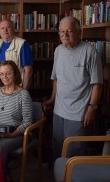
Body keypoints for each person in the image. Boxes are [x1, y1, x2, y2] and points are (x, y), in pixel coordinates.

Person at [43, 16, 103, 162]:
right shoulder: (58, 50)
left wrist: (91, 108)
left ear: (78, 32)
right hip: (59, 110)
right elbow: (56, 79)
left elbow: (97, 84)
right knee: (57, 146)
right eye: (62, 31)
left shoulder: (89, 51)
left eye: (69, 31)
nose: (65, 35)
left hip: (79, 112)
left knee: (74, 151)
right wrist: (52, 99)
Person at [0, 60, 33, 182]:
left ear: (15, 74)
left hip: (17, 133)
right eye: (1, 74)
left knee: (2, 146)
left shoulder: (23, 94)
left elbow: (27, 122)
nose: (4, 77)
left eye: (8, 73)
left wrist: (11, 135)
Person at [0, 19, 33, 90]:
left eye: (8, 27)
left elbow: (28, 70)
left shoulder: (23, 44)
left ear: (13, 29)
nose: (5, 30)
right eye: (2, 28)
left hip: (15, 88)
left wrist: (23, 91)